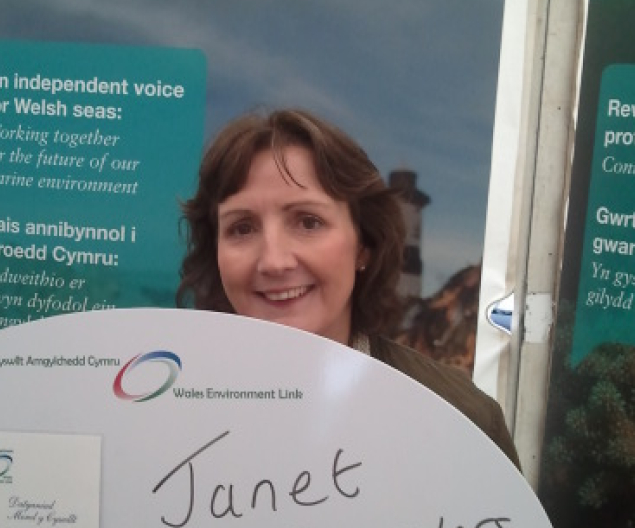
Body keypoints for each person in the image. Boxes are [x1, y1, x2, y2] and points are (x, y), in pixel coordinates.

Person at [177, 108, 520, 469]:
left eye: (308, 222)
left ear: (363, 246)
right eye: (242, 228)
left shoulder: (463, 421)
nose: (273, 261)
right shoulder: (165, 411)